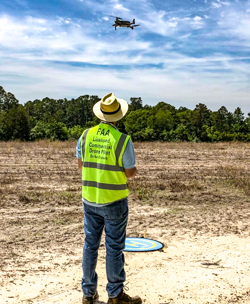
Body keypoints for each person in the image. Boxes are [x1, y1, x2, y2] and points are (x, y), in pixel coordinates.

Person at [76, 93, 142, 304]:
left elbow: (81, 165)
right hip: (114, 202)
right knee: (114, 248)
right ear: (118, 116)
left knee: (90, 246)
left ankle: (88, 293)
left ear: (100, 113)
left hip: (89, 200)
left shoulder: (86, 135)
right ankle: (115, 295)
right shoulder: (123, 139)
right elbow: (130, 173)